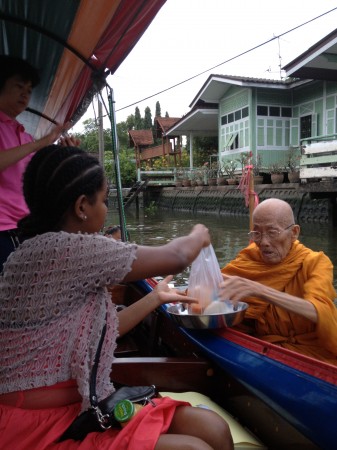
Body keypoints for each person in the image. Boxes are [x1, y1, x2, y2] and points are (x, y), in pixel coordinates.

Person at [0, 145, 233, 450]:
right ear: (82, 206)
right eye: (105, 199)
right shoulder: (67, 250)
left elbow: (99, 332)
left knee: (213, 428)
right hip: (38, 423)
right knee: (195, 448)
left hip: (84, 403)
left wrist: (155, 298)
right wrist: (200, 234)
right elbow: (177, 255)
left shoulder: (34, 251)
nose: (107, 209)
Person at [219, 198, 337, 365]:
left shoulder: (315, 262)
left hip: (312, 355)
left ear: (294, 232)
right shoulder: (250, 258)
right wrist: (178, 294)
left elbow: (321, 311)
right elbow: (217, 288)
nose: (263, 242)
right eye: (257, 233)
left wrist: (261, 291)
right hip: (264, 351)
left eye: (272, 232)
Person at [0, 55, 80, 272]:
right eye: (19, 86)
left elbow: (39, 178)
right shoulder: (30, 142)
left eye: (29, 89)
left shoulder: (24, 137)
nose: (26, 94)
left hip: (25, 227)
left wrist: (65, 154)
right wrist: (44, 142)